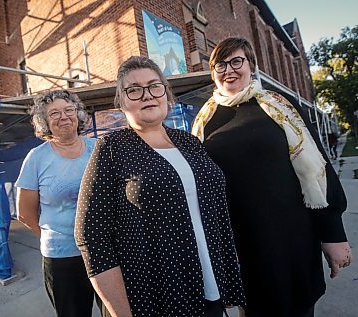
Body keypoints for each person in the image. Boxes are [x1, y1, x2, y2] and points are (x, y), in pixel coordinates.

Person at [192, 37, 352, 317]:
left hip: (292, 241)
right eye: (219, 65)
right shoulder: (204, 120)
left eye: (236, 61)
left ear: (251, 66)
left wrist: (333, 234)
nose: (228, 69)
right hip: (242, 247)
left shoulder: (280, 107)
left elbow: (319, 169)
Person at [75, 56, 245, 317]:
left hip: (209, 289)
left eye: (155, 86)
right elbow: (91, 236)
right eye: (134, 90)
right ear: (121, 101)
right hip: (154, 298)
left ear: (167, 94)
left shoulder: (189, 142)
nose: (147, 96)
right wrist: (122, 312)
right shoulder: (112, 148)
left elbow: (217, 213)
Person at [15, 90, 97, 317]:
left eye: (69, 110)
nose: (63, 117)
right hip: (62, 255)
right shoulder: (36, 158)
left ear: (78, 114)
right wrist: (52, 236)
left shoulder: (98, 148)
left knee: (114, 310)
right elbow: (24, 213)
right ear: (45, 122)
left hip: (103, 249)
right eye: (54, 113)